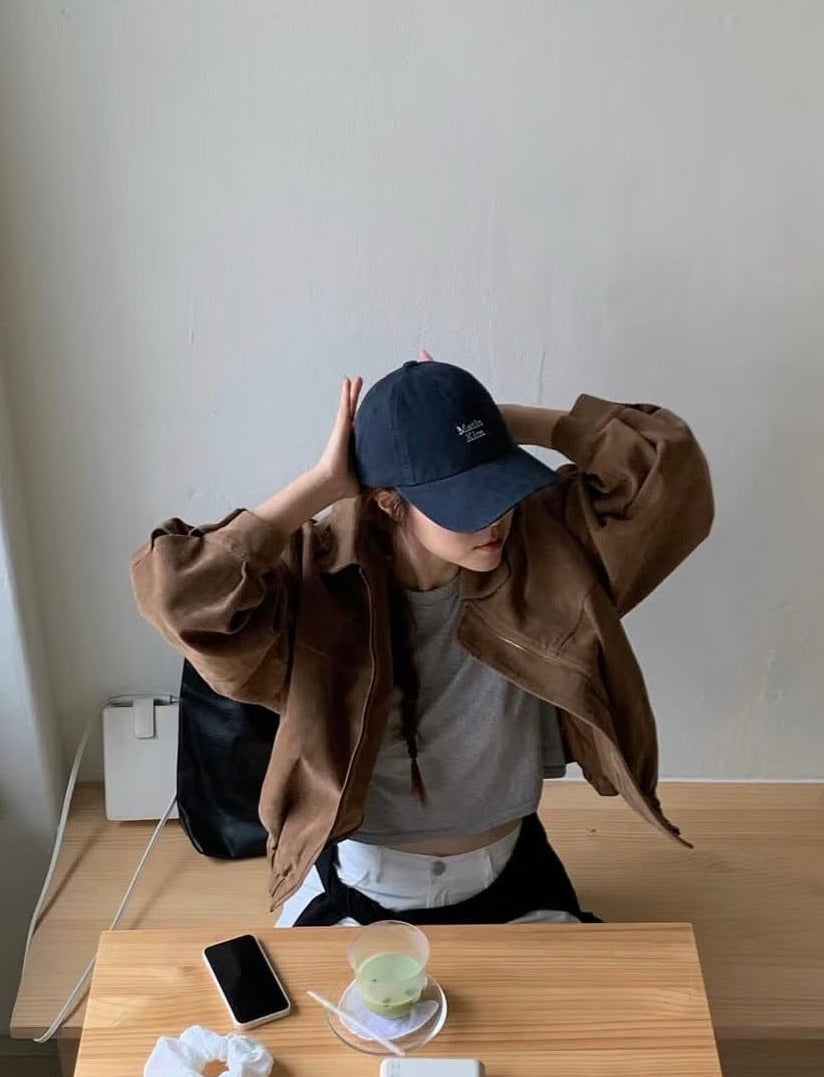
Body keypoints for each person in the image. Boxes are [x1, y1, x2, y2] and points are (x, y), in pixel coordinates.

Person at [131, 352, 713, 926]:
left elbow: (670, 467)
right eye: (464, 500)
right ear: (390, 502)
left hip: (513, 876)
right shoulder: (317, 579)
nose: (495, 518)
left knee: (613, 991)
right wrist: (322, 484)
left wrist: (499, 425)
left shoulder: (545, 552)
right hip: (360, 889)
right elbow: (178, 596)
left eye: (499, 486)